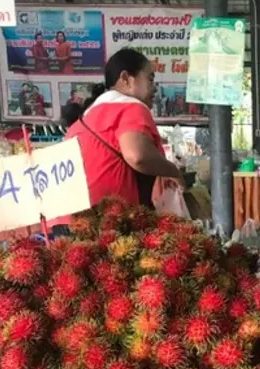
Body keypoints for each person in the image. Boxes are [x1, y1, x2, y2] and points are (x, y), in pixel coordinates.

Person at [50, 49, 184, 235]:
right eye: (150, 79)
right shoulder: (131, 106)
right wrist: (173, 171)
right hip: (101, 224)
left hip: (65, 221)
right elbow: (137, 156)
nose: (154, 88)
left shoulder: (90, 114)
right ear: (126, 79)